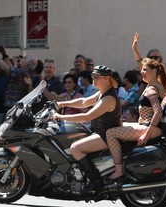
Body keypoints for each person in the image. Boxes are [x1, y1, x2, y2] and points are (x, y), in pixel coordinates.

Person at [52, 65, 122, 193]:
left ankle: (96, 182)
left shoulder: (109, 98)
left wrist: (62, 117)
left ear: (106, 78)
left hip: (105, 136)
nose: (93, 79)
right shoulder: (102, 92)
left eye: (97, 76)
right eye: (92, 76)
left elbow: (87, 116)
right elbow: (84, 102)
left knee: (75, 148)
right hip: (101, 133)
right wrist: (63, 103)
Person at [106, 58, 166, 180]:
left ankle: (118, 170)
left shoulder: (151, 89)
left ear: (154, 71)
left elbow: (158, 112)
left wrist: (147, 135)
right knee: (117, 125)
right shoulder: (156, 84)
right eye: (141, 70)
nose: (141, 72)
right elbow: (142, 64)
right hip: (147, 125)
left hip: (148, 127)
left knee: (110, 133)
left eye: (145, 70)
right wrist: (134, 49)